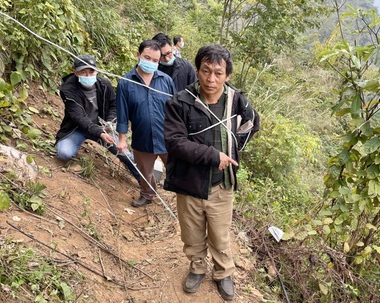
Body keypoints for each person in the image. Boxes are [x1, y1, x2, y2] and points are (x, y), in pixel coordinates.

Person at [164, 44, 260, 301]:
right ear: (198, 70)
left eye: (218, 73)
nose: (211, 79)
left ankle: (223, 272)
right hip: (190, 182)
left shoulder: (237, 99)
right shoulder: (180, 102)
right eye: (206, 71)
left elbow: (253, 122)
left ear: (227, 75)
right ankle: (196, 267)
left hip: (221, 185)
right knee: (191, 232)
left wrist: (237, 145)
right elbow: (174, 142)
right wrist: (213, 155)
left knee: (220, 233)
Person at [55, 54, 140, 182]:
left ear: (96, 71)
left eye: (91, 71)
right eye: (83, 72)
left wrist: (109, 122)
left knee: (124, 154)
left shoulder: (104, 84)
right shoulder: (68, 89)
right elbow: (79, 117)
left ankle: (144, 181)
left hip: (103, 128)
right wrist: (99, 133)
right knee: (64, 153)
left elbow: (114, 106)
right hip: (77, 129)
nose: (88, 76)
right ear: (75, 72)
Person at [116, 40, 176, 207]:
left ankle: (181, 198)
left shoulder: (166, 81)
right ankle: (147, 195)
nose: (150, 63)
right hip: (142, 137)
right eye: (147, 57)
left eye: (155, 60)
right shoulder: (126, 83)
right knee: (145, 171)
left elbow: (176, 109)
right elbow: (122, 113)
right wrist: (122, 139)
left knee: (176, 169)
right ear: (138, 55)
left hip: (167, 137)